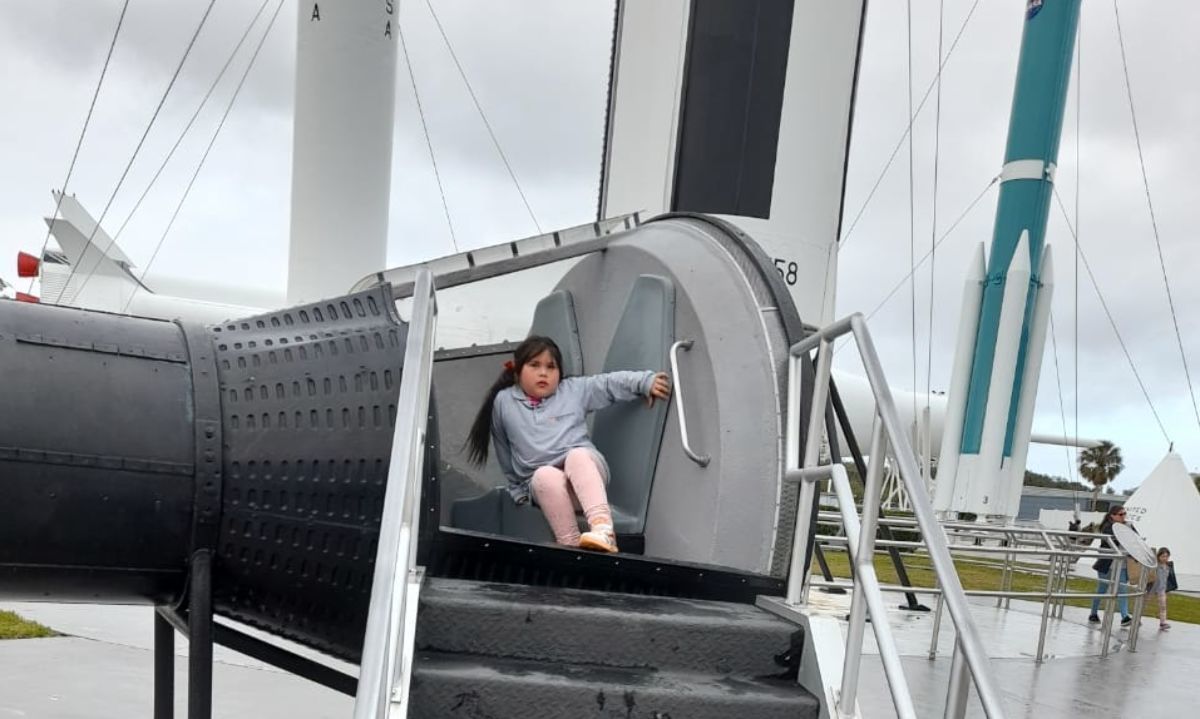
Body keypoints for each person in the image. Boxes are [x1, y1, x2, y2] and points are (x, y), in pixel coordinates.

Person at [466, 336, 672, 553]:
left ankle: (603, 529)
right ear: (517, 372)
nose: (543, 373)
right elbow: (504, 450)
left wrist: (644, 382)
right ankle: (569, 544)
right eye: (534, 365)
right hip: (545, 489)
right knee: (544, 474)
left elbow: (608, 384)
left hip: (584, 478)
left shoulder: (573, 390)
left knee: (577, 456)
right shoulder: (504, 402)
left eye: (551, 367)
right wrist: (518, 490)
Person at [1088, 505, 1133, 626]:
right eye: (1121, 514)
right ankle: (1093, 613)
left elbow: (1136, 540)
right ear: (1112, 516)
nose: (1124, 516)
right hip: (1107, 564)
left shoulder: (1128, 526)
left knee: (1122, 589)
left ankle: (1125, 617)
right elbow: (1117, 539)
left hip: (1121, 565)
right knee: (1102, 589)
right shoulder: (1107, 527)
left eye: (1124, 514)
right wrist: (1126, 531)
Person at [1149, 547, 1177, 630]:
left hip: (1162, 590)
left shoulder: (1168, 567)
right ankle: (1137, 619)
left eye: (1166, 556)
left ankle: (1163, 623)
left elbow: (1169, 578)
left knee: (1163, 606)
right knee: (1144, 605)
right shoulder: (1155, 566)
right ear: (1158, 556)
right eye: (1163, 556)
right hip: (1151, 589)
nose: (1165, 558)